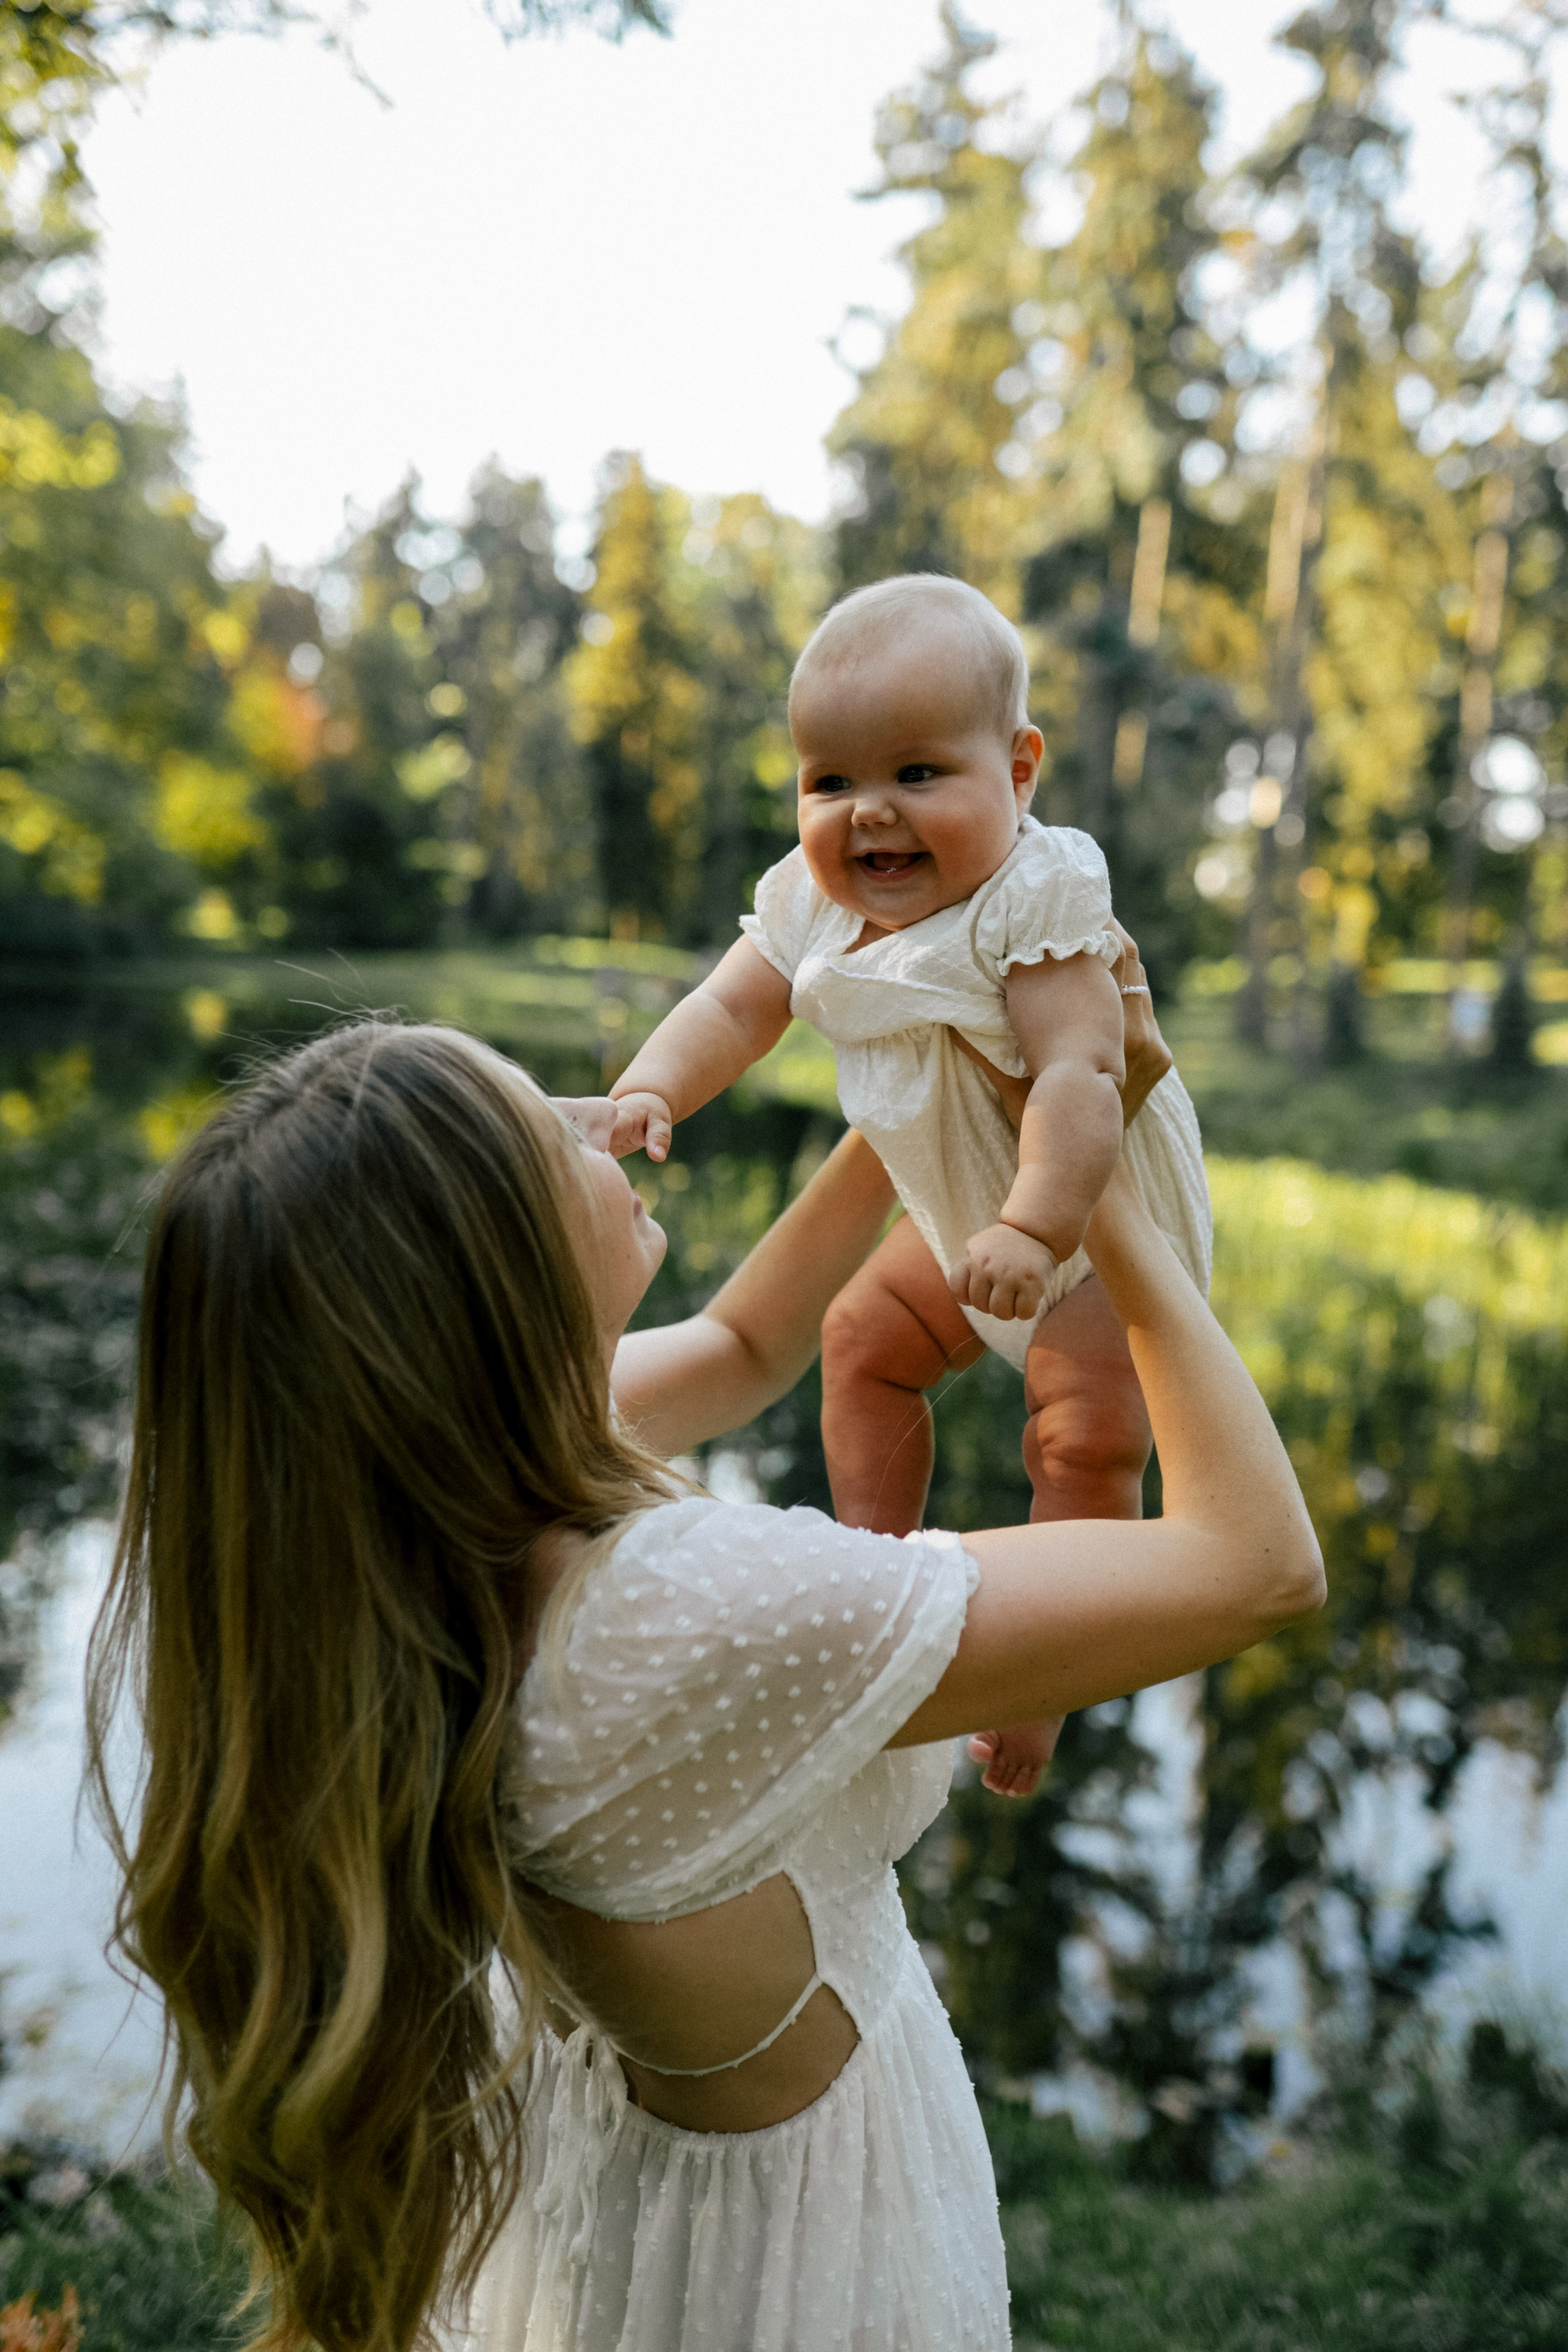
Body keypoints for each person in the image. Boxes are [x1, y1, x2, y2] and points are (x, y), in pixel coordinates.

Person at [87, 1003, 1321, 2352]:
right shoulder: (668, 1621)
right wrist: (1107, 1189)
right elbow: (1254, 1564)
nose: (598, 1121)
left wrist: (926, 1087)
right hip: (797, 2275)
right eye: (546, 1130)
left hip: (648, 2215)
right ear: (489, 1274)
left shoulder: (425, 1503)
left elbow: (746, 1345)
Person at [607, 574, 1212, 1795]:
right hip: (953, 1211)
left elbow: (1084, 1072)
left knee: (1082, 1442)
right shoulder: (809, 906)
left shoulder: (1032, 895)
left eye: (917, 773)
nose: (868, 812)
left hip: (1087, 1224)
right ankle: (872, 1595)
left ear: (1019, 770)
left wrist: (1037, 1227)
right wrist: (651, 1087)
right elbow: (733, 1006)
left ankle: (1036, 1686)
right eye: (829, 781)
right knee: (860, 1342)